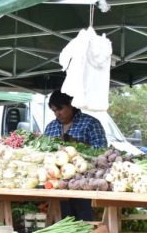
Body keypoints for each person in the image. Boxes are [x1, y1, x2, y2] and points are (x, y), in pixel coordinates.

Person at [44, 90, 107, 220]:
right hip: (58, 184)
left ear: (71, 104)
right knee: (62, 221)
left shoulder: (91, 123)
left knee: (85, 220)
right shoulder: (51, 127)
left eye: (60, 109)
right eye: (54, 111)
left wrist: (77, 143)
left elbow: (102, 151)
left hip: (83, 183)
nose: (57, 114)